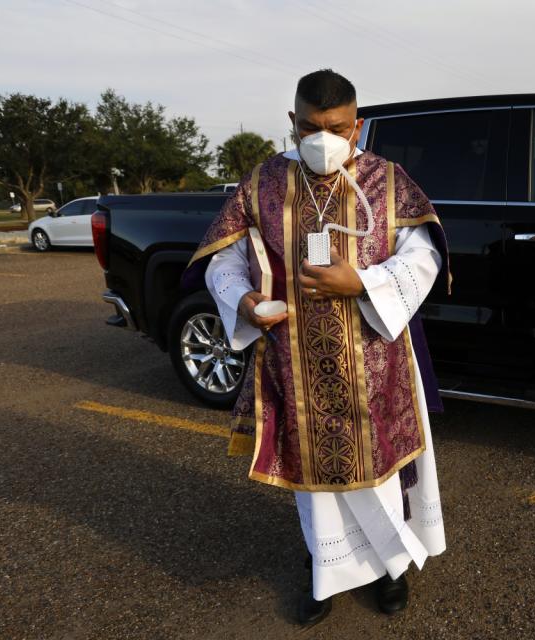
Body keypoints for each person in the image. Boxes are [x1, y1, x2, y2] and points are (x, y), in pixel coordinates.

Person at [181, 69, 449, 627]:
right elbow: (223, 261)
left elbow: (422, 257)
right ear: (291, 123)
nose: (323, 138)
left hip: (375, 360)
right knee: (312, 484)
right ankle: (324, 574)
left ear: (357, 124)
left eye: (338, 127)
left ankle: (390, 570)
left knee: (380, 472)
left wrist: (365, 285)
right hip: (293, 360)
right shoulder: (261, 185)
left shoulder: (388, 181)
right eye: (309, 127)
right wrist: (244, 299)